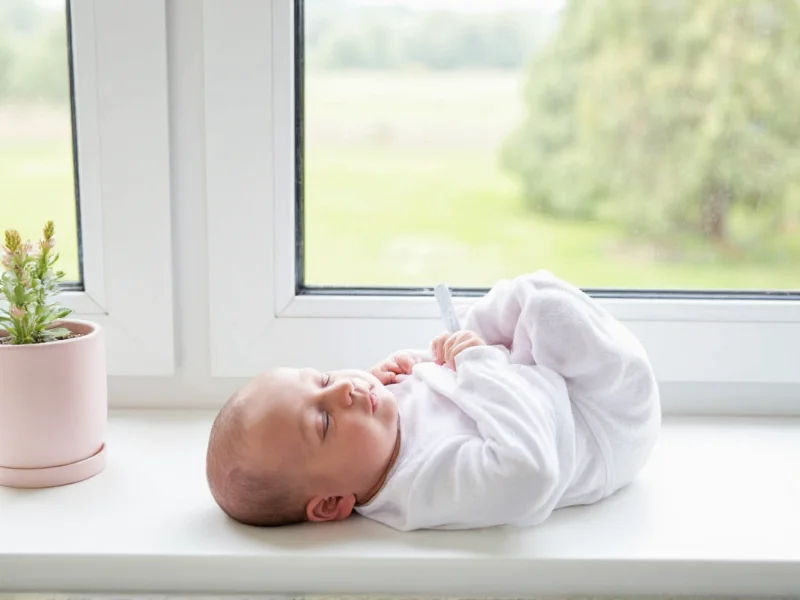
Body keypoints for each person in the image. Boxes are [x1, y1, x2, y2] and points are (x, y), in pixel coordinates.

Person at [205, 270, 661, 531]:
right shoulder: (428, 484)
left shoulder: (374, 437)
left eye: (323, 378)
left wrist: (419, 366)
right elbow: (532, 470)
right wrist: (477, 365)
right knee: (543, 305)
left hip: (547, 386)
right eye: (323, 422)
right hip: (605, 423)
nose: (343, 388)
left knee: (515, 300)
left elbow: (447, 390)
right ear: (330, 504)